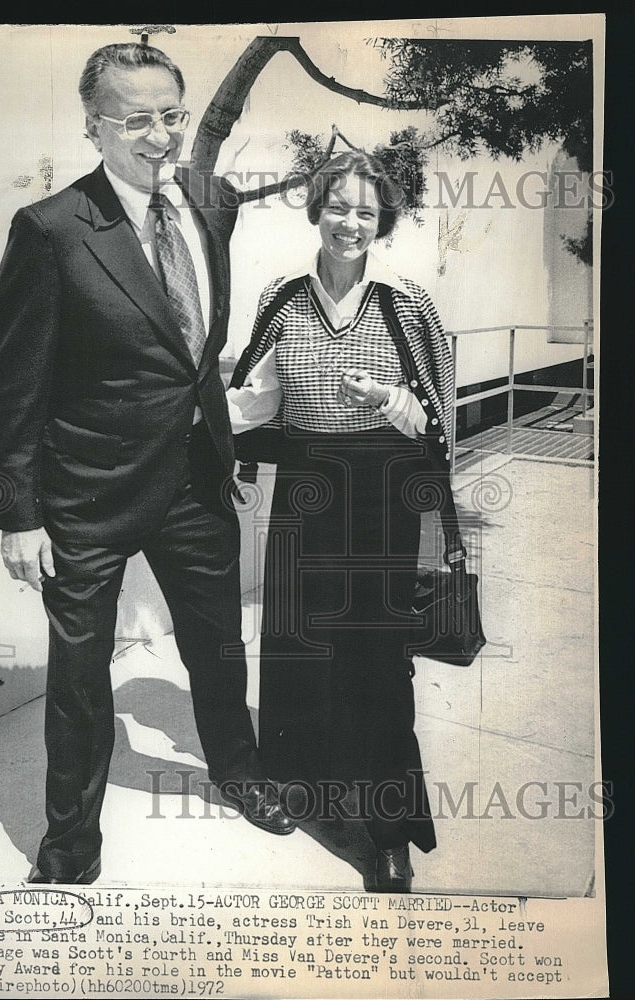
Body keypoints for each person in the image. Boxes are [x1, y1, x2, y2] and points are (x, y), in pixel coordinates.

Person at [0, 42, 295, 886]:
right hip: (85, 496)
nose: (159, 137)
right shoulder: (50, 231)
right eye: (136, 121)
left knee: (218, 648)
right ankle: (68, 847)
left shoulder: (210, 203)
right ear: (93, 128)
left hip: (196, 479)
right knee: (82, 682)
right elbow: (15, 384)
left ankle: (241, 773)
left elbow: (197, 347)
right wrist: (18, 512)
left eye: (171, 116)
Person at [227, 150, 455, 891]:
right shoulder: (283, 297)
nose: (350, 222)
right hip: (303, 486)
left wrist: (388, 397)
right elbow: (254, 396)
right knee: (296, 646)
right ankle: (308, 791)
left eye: (365, 211)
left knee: (377, 659)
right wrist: (204, 429)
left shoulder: (405, 302)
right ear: (316, 209)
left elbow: (437, 421)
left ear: (381, 221)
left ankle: (388, 834)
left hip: (381, 491)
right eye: (338, 206)